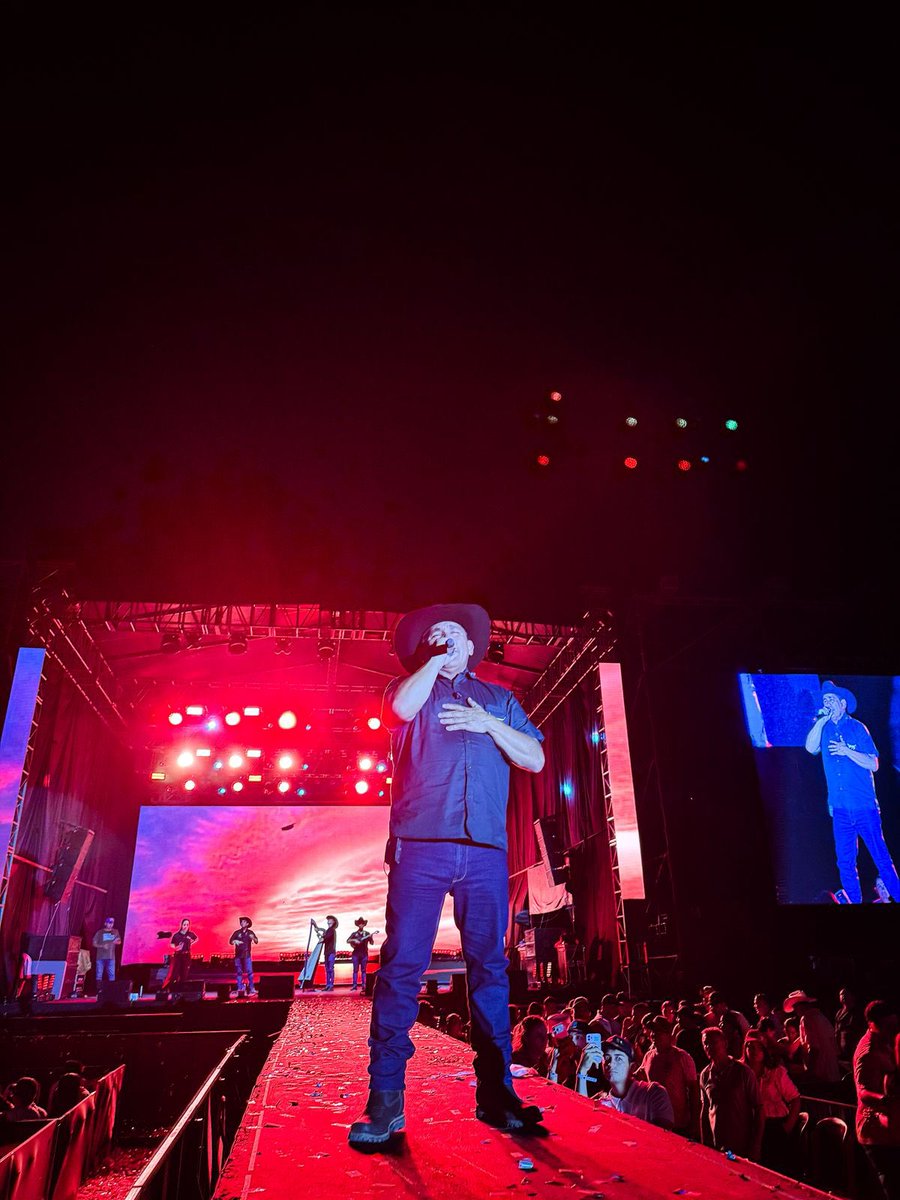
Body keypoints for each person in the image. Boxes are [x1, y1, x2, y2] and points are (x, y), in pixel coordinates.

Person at [348, 602, 546, 1147]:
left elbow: (534, 758)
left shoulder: (499, 700)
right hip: (421, 846)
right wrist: (433, 665)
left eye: (453, 634)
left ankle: (497, 1095)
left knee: (490, 969)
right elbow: (398, 711)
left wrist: (487, 723)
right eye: (435, 635)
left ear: (473, 646)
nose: (444, 639)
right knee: (402, 969)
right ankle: (385, 1103)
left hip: (484, 851)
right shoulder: (411, 689)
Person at [805, 680, 900, 904]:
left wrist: (846, 750)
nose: (827, 702)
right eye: (824, 699)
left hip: (864, 807)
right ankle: (855, 903)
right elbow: (810, 748)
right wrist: (821, 721)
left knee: (881, 858)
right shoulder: (824, 729)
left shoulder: (857, 728)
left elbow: (874, 764)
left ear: (843, 703)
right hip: (840, 810)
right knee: (845, 862)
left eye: (831, 699)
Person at [853, 999, 900, 1200]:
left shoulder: (887, 1041)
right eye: (887, 1026)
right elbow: (863, 1093)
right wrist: (887, 1101)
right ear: (872, 1023)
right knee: (893, 1186)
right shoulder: (868, 1052)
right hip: (876, 1131)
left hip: (890, 1128)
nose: (892, 1030)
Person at [577, 1035, 674, 1129]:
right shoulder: (604, 1104)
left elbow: (663, 1139)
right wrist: (581, 1071)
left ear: (632, 1067)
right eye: (607, 1058)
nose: (611, 1063)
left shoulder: (653, 1093)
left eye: (619, 1058)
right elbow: (580, 1124)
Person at [742, 1032, 801, 1174]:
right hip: (751, 1125)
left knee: (776, 1171)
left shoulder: (776, 1072)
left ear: (765, 1050)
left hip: (775, 1126)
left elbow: (795, 1098)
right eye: (750, 1046)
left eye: (758, 1047)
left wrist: (787, 1127)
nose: (754, 1051)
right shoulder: (742, 1073)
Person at [699, 1026, 762, 1159]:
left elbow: (759, 1108)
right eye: (706, 1043)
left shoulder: (743, 1072)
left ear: (725, 1043)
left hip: (742, 1147)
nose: (709, 1047)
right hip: (718, 1146)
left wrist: (756, 1145)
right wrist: (705, 1144)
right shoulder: (705, 1075)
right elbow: (705, 1110)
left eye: (714, 1042)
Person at [639, 1014, 701, 1138]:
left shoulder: (682, 1057)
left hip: (678, 1124)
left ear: (668, 1035)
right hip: (655, 1121)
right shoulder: (648, 1056)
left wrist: (695, 1123)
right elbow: (640, 1080)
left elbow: (694, 1091)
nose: (653, 1035)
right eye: (653, 1032)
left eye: (658, 1032)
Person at [783, 989, 841, 1092]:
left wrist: (809, 1072)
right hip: (832, 1071)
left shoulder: (807, 1019)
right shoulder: (821, 1017)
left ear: (800, 1006)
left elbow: (814, 1048)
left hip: (821, 1074)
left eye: (795, 1008)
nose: (796, 1012)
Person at [163, 918, 198, 989]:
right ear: (181, 925)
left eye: (187, 925)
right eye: (184, 924)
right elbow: (172, 944)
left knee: (184, 972)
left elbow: (196, 938)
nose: (186, 926)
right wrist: (176, 947)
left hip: (187, 955)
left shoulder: (190, 934)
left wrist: (191, 942)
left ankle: (182, 988)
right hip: (178, 955)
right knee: (176, 972)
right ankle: (173, 988)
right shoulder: (176, 935)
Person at [229, 916, 259, 997]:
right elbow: (230, 941)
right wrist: (235, 941)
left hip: (247, 955)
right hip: (238, 955)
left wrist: (253, 938)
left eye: (244, 922)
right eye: (241, 922)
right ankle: (240, 988)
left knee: (250, 973)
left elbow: (256, 941)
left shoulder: (250, 933)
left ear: (247, 924)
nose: (242, 923)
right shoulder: (237, 932)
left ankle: (252, 988)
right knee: (239, 973)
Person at [348, 917, 378, 992]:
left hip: (364, 954)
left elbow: (372, 943)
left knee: (364, 970)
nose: (361, 925)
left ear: (364, 925)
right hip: (356, 954)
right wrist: (354, 939)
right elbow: (348, 940)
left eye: (362, 924)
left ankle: (364, 985)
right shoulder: (354, 934)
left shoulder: (367, 933)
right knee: (355, 970)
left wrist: (371, 937)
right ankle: (354, 986)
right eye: (360, 924)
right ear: (358, 925)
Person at [92, 916, 121, 989]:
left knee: (112, 975)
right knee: (99, 974)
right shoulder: (100, 932)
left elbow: (119, 941)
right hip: (100, 957)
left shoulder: (115, 931)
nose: (111, 924)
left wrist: (116, 942)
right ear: (105, 923)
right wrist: (102, 946)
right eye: (109, 922)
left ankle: (111, 991)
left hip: (111, 957)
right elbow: (94, 943)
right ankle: (98, 991)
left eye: (112, 923)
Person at [312, 915, 339, 990]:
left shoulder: (332, 930)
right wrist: (320, 935)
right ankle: (328, 985)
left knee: (330, 969)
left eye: (330, 920)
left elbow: (325, 938)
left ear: (333, 922)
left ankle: (330, 985)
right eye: (328, 920)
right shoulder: (328, 930)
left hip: (331, 952)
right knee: (327, 969)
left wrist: (321, 937)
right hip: (327, 952)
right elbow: (325, 939)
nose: (328, 921)